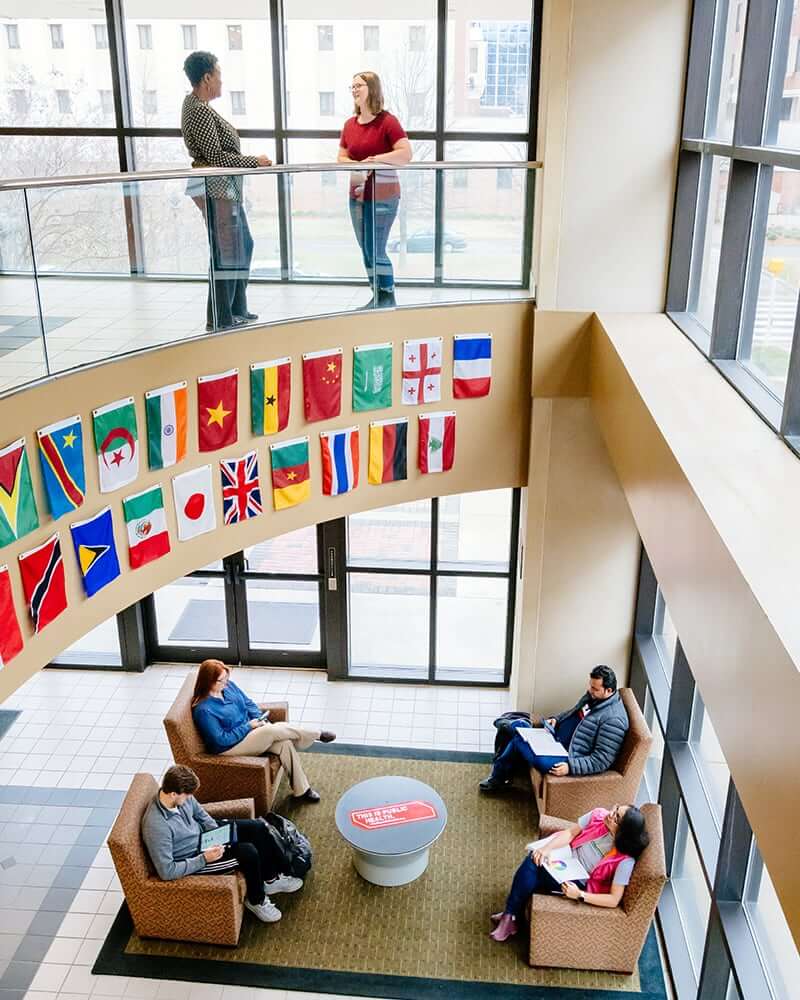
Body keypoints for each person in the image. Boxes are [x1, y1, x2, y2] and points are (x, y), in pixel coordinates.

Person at [141, 764, 303, 924]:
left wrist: (218, 835)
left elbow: (202, 816)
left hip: (205, 838)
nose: (191, 798)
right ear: (173, 794)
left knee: (258, 827)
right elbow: (167, 871)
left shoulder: (180, 796)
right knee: (248, 851)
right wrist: (204, 858)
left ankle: (271, 879)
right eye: (188, 796)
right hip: (196, 857)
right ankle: (256, 901)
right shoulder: (156, 825)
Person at [181, 51, 271, 332]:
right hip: (215, 187)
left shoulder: (201, 106)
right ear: (206, 77)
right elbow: (216, 157)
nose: (221, 81)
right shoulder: (197, 109)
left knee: (243, 245)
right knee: (226, 252)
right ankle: (220, 317)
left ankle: (235, 308)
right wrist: (253, 162)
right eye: (219, 75)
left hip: (225, 188)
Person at [489, 803, 650, 942]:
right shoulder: (598, 815)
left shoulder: (624, 861)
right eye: (615, 809)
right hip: (566, 858)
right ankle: (511, 915)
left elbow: (614, 899)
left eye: (616, 817)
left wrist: (579, 894)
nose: (610, 814)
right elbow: (570, 833)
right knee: (535, 858)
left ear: (624, 832)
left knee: (534, 870)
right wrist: (546, 849)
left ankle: (510, 915)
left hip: (580, 881)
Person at [191, 659, 336, 803]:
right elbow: (221, 739)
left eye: (226, 678)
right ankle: (316, 734)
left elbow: (249, 703)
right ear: (208, 681)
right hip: (229, 748)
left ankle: (302, 790)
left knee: (284, 743)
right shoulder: (204, 710)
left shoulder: (229, 687)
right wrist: (249, 726)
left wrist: (259, 718)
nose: (226, 683)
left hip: (251, 733)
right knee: (270, 732)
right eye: (221, 680)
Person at [479, 665, 629, 792]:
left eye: (595, 688)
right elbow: (572, 712)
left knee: (519, 739)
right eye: (590, 685)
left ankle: (512, 736)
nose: (590, 690)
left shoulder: (613, 720)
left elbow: (601, 760)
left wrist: (571, 767)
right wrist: (556, 719)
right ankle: (517, 729)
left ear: (608, 691)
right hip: (553, 738)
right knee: (521, 738)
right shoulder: (593, 697)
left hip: (566, 756)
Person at [337, 71, 412, 309]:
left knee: (376, 248)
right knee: (366, 250)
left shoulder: (388, 122)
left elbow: (405, 154)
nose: (354, 90)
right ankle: (377, 295)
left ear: (372, 88)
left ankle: (387, 297)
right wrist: (357, 165)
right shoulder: (350, 125)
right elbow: (341, 157)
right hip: (357, 196)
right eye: (352, 87)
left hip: (384, 196)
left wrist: (375, 160)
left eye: (359, 85)